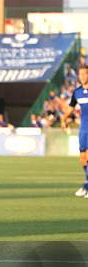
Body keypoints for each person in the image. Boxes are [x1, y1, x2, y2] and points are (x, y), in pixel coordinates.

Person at [62, 65, 88, 197]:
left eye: (85, 74)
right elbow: (70, 108)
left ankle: (86, 186)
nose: (83, 76)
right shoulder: (77, 92)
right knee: (83, 159)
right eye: (81, 74)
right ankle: (86, 184)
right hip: (83, 129)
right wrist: (63, 119)